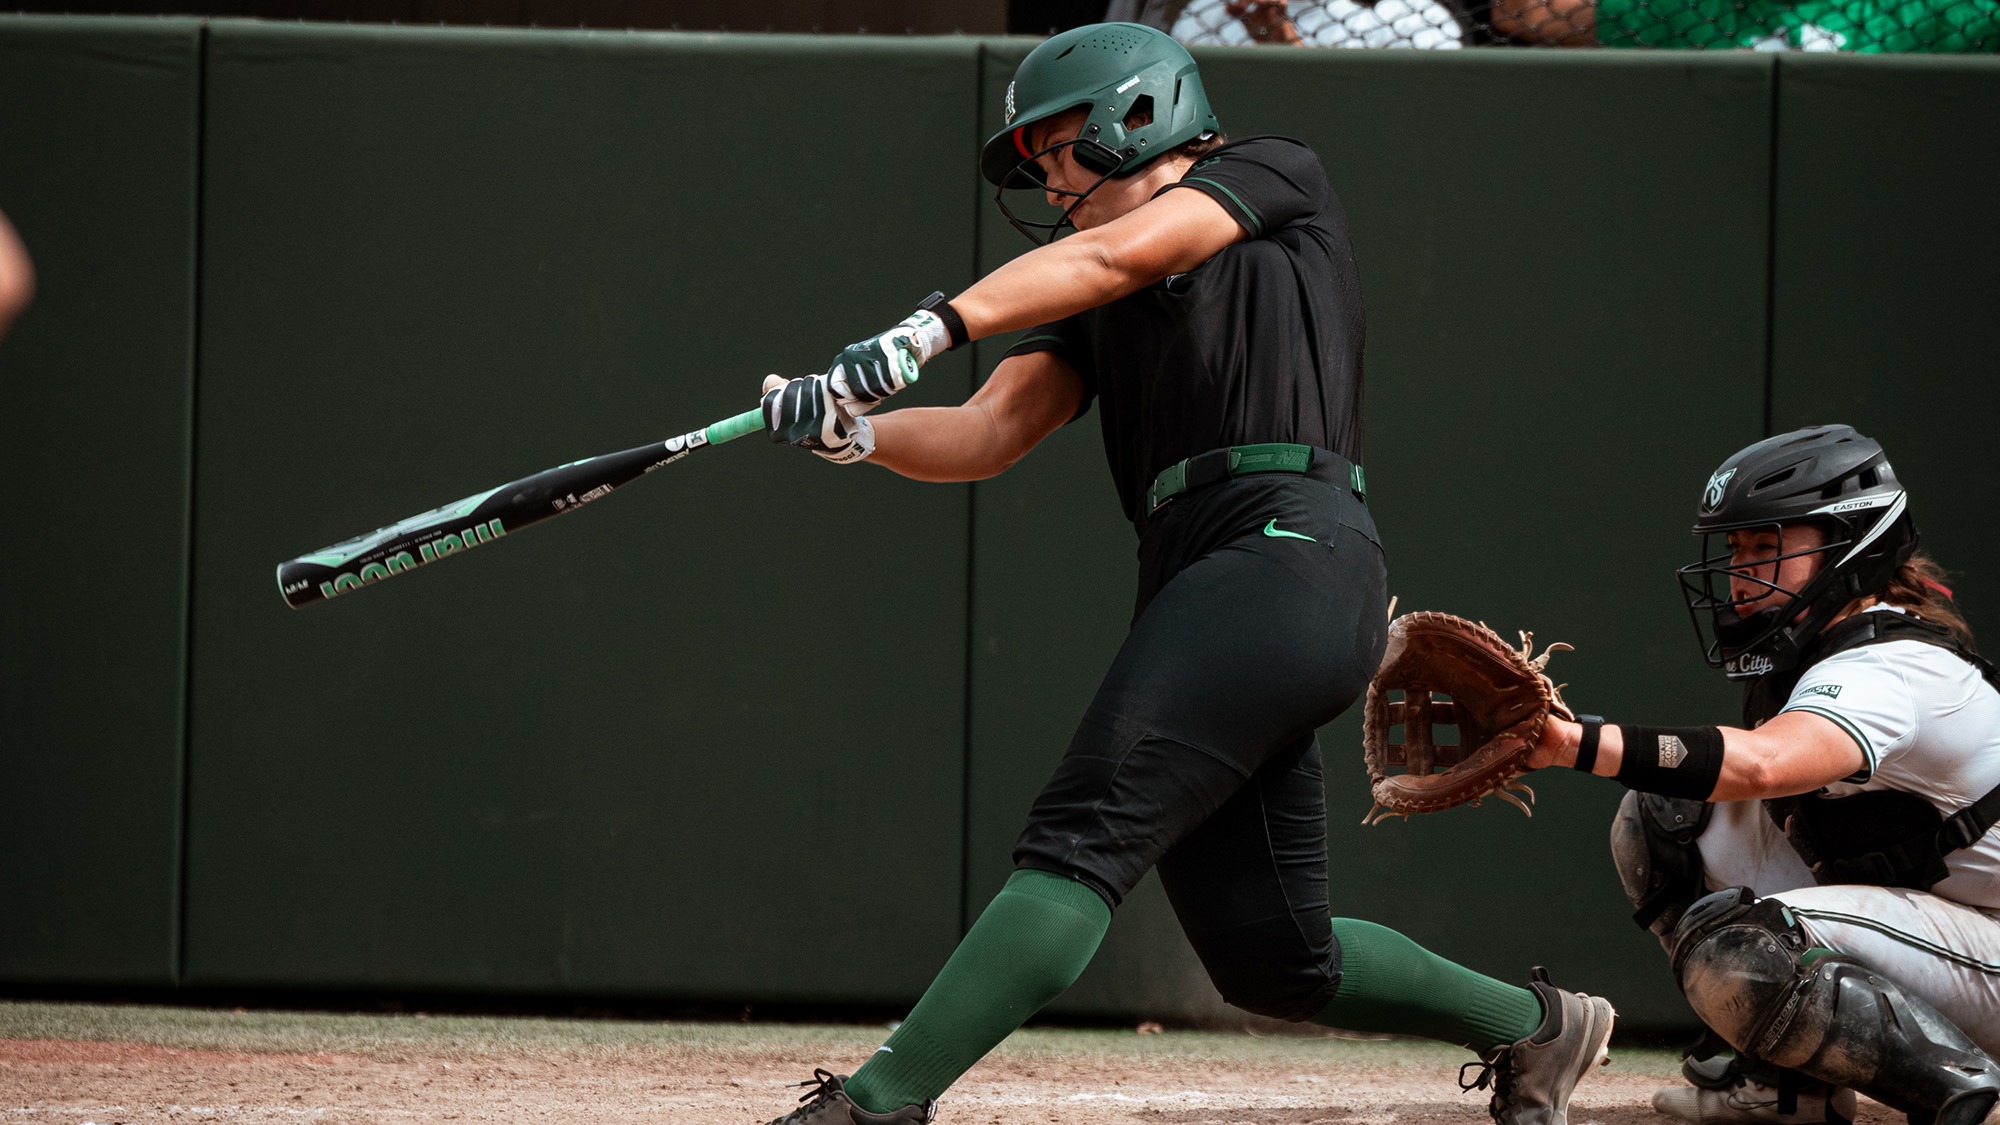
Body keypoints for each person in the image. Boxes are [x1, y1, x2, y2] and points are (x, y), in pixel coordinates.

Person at [752, 22, 1614, 1125]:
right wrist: (854, 435)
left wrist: (929, 326)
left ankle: (876, 1105)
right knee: (1272, 960)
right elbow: (984, 433)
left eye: (1056, 147)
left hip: (1285, 550)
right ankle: (1535, 1026)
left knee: (1078, 836)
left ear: (1139, 116)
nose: (1044, 177)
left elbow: (1125, 253)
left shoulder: (1264, 172)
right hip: (1205, 580)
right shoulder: (1085, 296)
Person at [1522, 425, 2000, 1125]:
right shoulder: (1823, 654)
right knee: (1667, 816)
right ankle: (1791, 1094)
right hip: (1949, 930)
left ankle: (1961, 1088)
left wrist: (1570, 742)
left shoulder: (1891, 667)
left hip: (1988, 947)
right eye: (1738, 548)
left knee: (1749, 943)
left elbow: (1765, 762)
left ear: (1852, 543)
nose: (1742, 571)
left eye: (1768, 546)